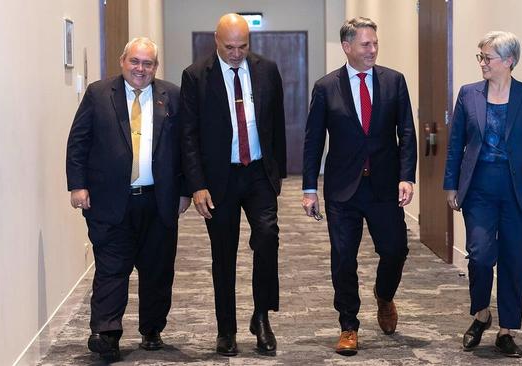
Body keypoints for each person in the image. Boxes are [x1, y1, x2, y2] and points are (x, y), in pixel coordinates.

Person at [66, 37, 191, 362]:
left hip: (158, 201)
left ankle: (152, 329)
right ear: (122, 61)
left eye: (147, 63)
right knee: (111, 268)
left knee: (157, 270)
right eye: (135, 61)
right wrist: (77, 185)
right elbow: (78, 141)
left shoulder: (172, 96)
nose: (140, 69)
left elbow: (186, 148)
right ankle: (106, 333)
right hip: (110, 200)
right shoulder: (98, 93)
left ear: (156, 67)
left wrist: (185, 190)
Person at [302, 17, 417, 356]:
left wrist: (406, 176)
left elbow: (407, 133)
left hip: (384, 186)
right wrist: (309, 188)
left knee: (396, 250)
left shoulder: (394, 81)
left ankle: (384, 295)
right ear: (347, 47)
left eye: (375, 43)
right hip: (342, 190)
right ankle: (348, 325)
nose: (373, 50)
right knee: (343, 259)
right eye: (366, 45)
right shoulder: (326, 87)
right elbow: (313, 142)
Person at [180, 13, 286, 357]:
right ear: (216, 40)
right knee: (223, 255)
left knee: (268, 238)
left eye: (243, 46)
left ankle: (261, 316)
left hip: (258, 173)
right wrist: (196, 184)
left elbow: (277, 124)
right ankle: (226, 330)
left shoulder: (267, 70)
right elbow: (189, 136)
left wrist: (277, 175)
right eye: (230, 47)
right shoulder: (195, 76)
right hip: (218, 180)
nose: (237, 53)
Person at [443, 31, 522, 357]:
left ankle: (506, 330)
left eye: (487, 58)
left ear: (508, 61)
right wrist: (451, 184)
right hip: (479, 188)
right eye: (481, 57)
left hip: (518, 191)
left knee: (514, 259)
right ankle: (482, 314)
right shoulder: (468, 94)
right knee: (479, 254)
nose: (482, 63)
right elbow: (455, 144)